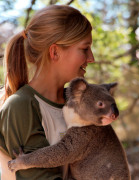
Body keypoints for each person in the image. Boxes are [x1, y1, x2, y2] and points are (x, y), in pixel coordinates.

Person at [0, 4, 94, 180]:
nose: (92, 58)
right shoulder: (22, 107)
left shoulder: (77, 105)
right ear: (55, 52)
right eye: (84, 49)